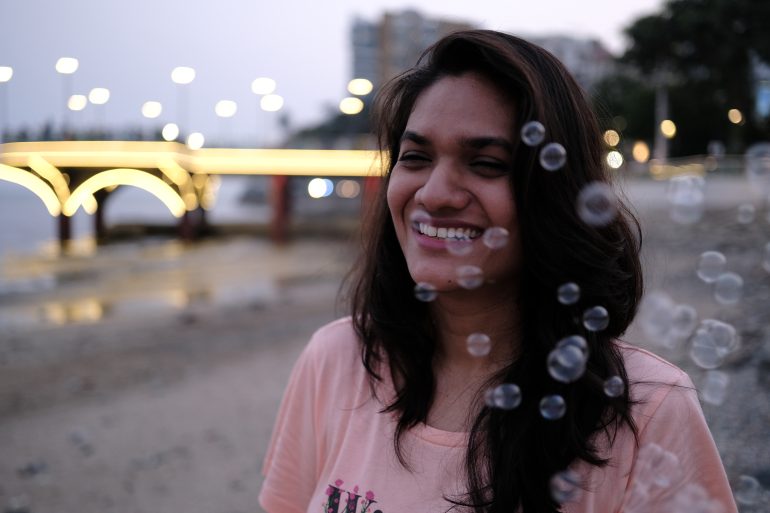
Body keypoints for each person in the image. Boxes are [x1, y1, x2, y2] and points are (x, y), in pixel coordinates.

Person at [259, 30, 737, 513]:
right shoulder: (336, 360)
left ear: (556, 196)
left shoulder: (649, 411)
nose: (435, 194)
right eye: (416, 158)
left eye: (486, 164)